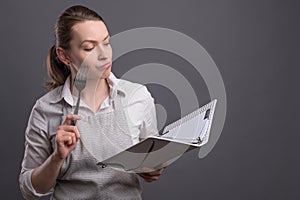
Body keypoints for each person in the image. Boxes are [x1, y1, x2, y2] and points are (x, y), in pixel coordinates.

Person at [19, 5, 164, 199]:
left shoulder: (137, 96)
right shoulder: (46, 109)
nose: (104, 55)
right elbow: (29, 190)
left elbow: (151, 159)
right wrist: (57, 158)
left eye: (106, 42)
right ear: (64, 55)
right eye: (89, 47)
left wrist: (151, 167)